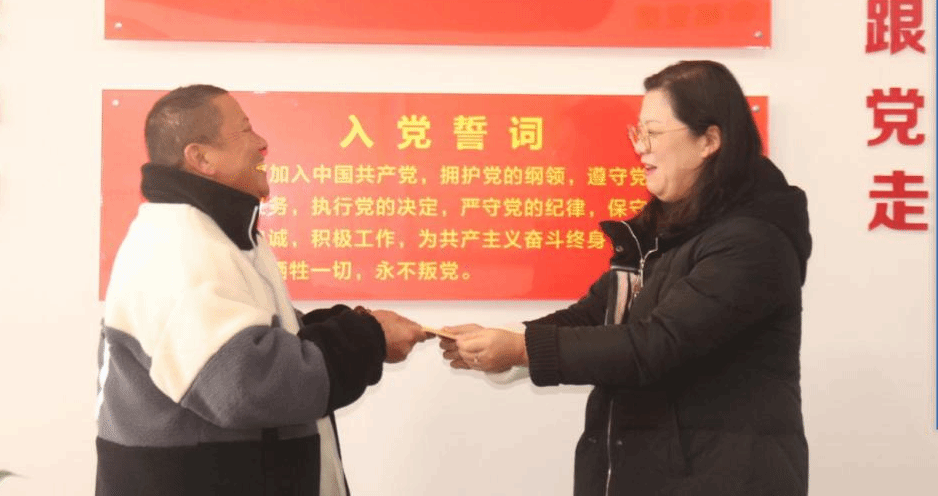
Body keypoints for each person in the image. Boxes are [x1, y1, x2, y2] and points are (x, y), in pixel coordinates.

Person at [440, 60, 811, 496]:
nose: (640, 149)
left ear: (709, 140)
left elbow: (656, 344)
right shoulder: (665, 233)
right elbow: (596, 314)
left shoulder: (752, 241)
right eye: (638, 133)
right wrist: (505, 338)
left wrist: (523, 349)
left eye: (653, 133)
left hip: (721, 478)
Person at [96, 84, 430, 496]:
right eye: (245, 130)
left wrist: (350, 326)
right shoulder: (178, 247)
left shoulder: (218, 235)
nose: (261, 143)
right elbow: (245, 385)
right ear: (201, 158)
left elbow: (257, 342)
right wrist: (368, 340)